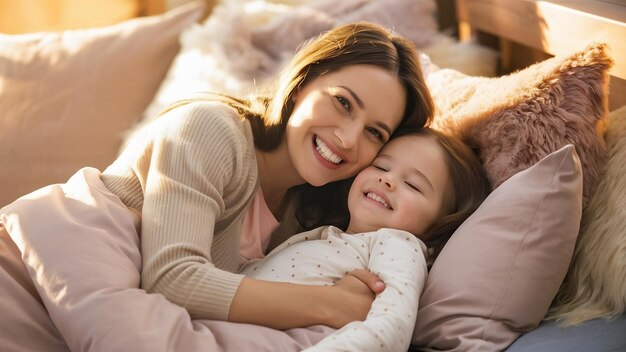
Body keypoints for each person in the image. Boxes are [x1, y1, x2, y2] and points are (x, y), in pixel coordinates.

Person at [99, 21, 435, 330]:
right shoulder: (210, 129)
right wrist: (330, 305)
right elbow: (171, 279)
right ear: (303, 82)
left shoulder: (314, 216)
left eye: (374, 133)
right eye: (343, 103)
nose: (348, 139)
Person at [240, 129, 491, 351]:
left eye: (413, 185)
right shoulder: (326, 234)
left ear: (440, 223)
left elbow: (391, 326)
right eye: (381, 166)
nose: (387, 179)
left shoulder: (399, 244)